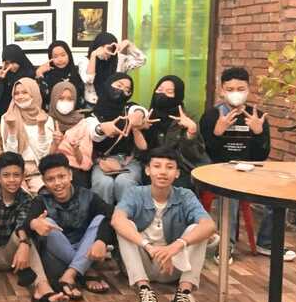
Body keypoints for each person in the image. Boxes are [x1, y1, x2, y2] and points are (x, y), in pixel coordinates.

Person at [111, 147, 216, 302]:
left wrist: (176, 246)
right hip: (143, 264)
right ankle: (144, 291)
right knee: (125, 226)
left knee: (199, 229)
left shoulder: (185, 195)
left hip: (174, 266)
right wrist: (149, 247)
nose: (162, 172)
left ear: (177, 173)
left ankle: (183, 295)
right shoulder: (135, 193)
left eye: (169, 167)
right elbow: (116, 220)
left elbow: (209, 225)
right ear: (147, 170)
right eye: (157, 166)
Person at [199, 67, 294, 261]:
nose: (235, 93)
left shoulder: (256, 116)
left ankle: (267, 242)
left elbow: (261, 155)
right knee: (232, 192)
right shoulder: (211, 116)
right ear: (222, 90)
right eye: (230, 89)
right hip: (219, 169)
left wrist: (258, 133)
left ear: (248, 89)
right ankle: (226, 246)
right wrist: (217, 133)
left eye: (240, 89)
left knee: (281, 190)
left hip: (250, 169)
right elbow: (205, 153)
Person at [0, 152, 70, 302]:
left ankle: (42, 288)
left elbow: (22, 224)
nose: (12, 180)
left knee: (26, 233)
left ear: (23, 176)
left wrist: (24, 242)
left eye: (16, 175)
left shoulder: (26, 199)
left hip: (14, 258)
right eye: (6, 175)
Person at [24, 154, 115, 300]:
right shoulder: (40, 200)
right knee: (48, 223)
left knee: (100, 218)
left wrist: (101, 241)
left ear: (70, 175)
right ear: (44, 181)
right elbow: (26, 224)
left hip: (84, 248)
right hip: (56, 260)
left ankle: (70, 275)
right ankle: (84, 271)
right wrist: (34, 223)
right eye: (50, 179)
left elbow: (111, 215)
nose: (57, 183)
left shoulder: (87, 196)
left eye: (61, 177)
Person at [85, 73, 150, 205]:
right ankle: (103, 216)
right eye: (119, 85)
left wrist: (139, 115)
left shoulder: (128, 108)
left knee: (124, 181)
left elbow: (139, 109)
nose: (122, 91)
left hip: (128, 160)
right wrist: (102, 128)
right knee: (103, 183)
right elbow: (94, 132)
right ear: (108, 86)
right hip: (101, 161)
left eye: (127, 90)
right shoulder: (93, 114)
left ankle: (128, 215)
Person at [143, 75, 209, 190]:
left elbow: (194, 155)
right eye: (159, 90)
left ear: (178, 95)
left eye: (169, 92)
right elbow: (141, 152)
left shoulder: (188, 118)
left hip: (179, 167)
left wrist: (191, 132)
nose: (162, 94)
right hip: (151, 166)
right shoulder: (147, 117)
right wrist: (139, 130)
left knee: (180, 186)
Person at [1, 77, 56, 194]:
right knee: (19, 195)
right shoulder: (7, 117)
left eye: (25, 92)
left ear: (34, 93)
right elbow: (10, 155)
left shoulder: (46, 119)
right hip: (15, 171)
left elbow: (44, 155)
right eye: (16, 93)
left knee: (44, 194)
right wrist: (12, 130)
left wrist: (41, 128)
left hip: (39, 171)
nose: (20, 96)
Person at [77, 32, 146, 107]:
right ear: (98, 46)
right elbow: (89, 80)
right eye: (107, 48)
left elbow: (141, 60)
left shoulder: (119, 60)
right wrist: (93, 55)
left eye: (112, 49)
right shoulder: (85, 61)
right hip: (92, 105)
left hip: (115, 103)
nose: (108, 52)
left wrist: (129, 44)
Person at [48, 81, 93, 188]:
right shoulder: (46, 122)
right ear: (54, 98)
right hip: (51, 169)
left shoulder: (81, 123)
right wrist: (55, 144)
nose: (65, 102)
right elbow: (42, 158)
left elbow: (86, 163)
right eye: (61, 98)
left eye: (70, 99)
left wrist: (76, 150)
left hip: (76, 171)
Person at [36, 40, 85, 110]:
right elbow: (42, 98)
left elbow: (81, 99)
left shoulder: (77, 73)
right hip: (52, 114)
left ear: (69, 55)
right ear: (50, 58)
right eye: (55, 57)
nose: (60, 59)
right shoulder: (46, 75)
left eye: (63, 55)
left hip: (74, 114)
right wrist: (39, 73)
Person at [0, 44, 38, 117]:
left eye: (13, 62)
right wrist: (0, 80)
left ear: (20, 60)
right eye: (7, 63)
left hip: (28, 114)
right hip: (7, 115)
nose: (10, 66)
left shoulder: (31, 74)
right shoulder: (3, 75)